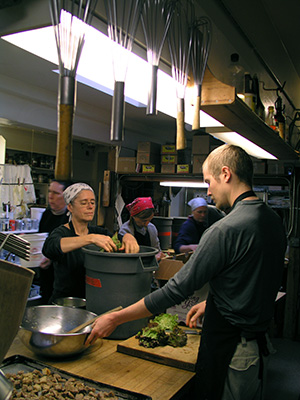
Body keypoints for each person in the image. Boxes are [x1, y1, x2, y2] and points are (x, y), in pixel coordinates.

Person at [86, 144, 287, 400]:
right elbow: (252, 277)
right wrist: (215, 303)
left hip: (233, 352)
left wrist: (115, 319)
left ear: (226, 174)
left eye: (208, 181)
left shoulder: (224, 229)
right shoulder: (273, 220)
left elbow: (176, 289)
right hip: (257, 350)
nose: (209, 191)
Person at [42, 182, 139, 304]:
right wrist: (90, 239)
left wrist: (128, 236)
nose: (90, 207)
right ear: (70, 207)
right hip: (66, 304)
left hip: (93, 301)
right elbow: (49, 247)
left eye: (92, 202)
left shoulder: (98, 232)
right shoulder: (62, 232)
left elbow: (119, 238)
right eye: (84, 203)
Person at [38, 179, 71, 304]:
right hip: (45, 271)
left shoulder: (69, 218)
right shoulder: (46, 214)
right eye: (49, 192)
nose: (50, 196)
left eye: (56, 193)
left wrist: (52, 257)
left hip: (62, 274)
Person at [119, 197, 164, 261]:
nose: (146, 224)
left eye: (149, 220)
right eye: (144, 220)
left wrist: (159, 255)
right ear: (133, 216)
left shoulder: (151, 228)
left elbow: (157, 250)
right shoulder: (125, 230)